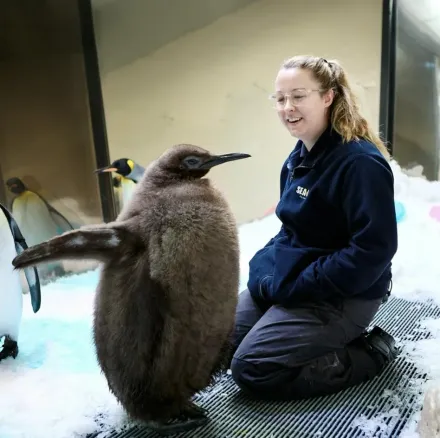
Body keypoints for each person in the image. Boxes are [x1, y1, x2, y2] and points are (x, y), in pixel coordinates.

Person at [230, 55, 399, 401]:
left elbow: (372, 251)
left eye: (298, 96)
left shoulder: (360, 164)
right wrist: (263, 272)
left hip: (346, 293)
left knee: (253, 367)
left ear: (328, 96)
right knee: (213, 341)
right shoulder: (298, 159)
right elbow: (289, 231)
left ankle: (368, 353)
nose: (287, 107)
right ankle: (298, 331)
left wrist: (296, 286)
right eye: (280, 98)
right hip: (301, 281)